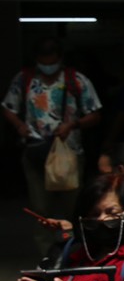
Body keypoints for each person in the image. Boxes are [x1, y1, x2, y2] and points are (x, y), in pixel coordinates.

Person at [4, 38, 104, 260]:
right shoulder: (25, 79)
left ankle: (76, 253)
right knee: (40, 210)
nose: (47, 66)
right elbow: (8, 107)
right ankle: (48, 258)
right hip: (36, 152)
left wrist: (73, 124)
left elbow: (95, 114)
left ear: (60, 59)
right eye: (43, 62)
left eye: (51, 62)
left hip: (68, 154)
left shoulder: (76, 80)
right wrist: (19, 125)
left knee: (74, 208)